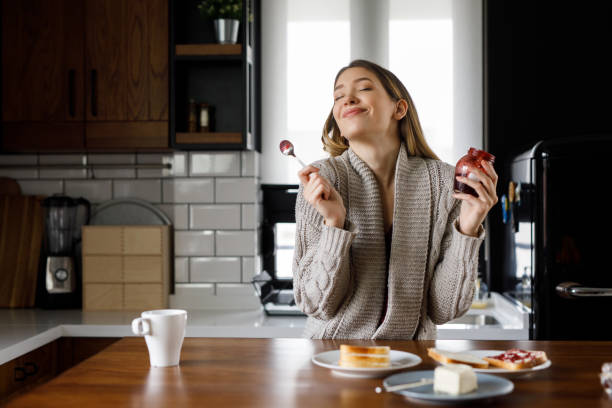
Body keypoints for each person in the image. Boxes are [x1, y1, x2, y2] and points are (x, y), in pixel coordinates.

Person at [292, 59, 498, 339]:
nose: (347, 99)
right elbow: (315, 304)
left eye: (363, 88)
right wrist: (334, 222)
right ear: (339, 124)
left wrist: (469, 227)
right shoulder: (322, 180)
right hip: (334, 361)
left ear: (399, 108)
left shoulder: (444, 183)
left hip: (412, 363)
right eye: (338, 96)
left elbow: (445, 309)